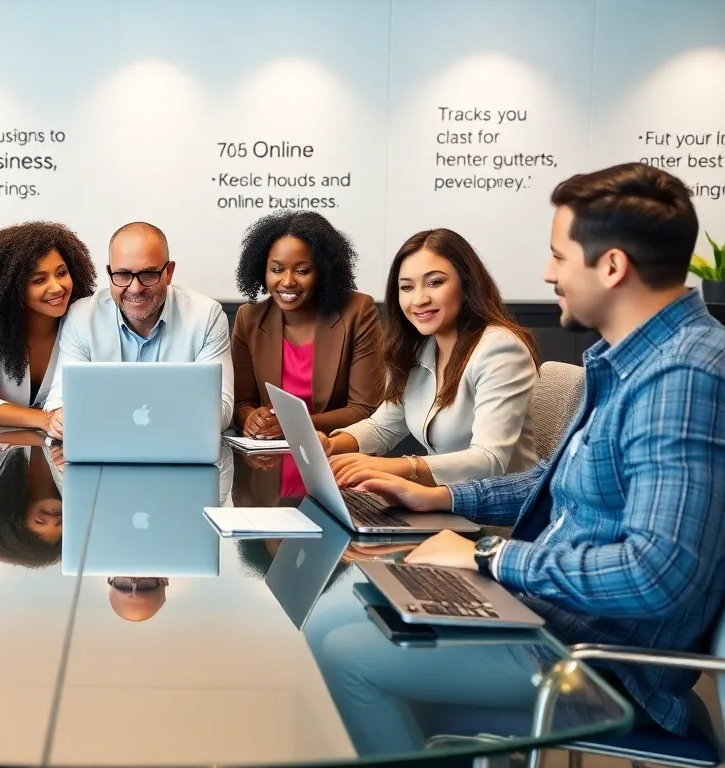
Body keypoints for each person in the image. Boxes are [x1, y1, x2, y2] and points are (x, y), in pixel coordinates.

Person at [334, 162, 725, 749]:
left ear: (612, 266)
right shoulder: (630, 359)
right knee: (341, 613)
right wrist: (437, 496)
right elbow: (551, 478)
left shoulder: (683, 375)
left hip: (597, 662)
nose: (547, 274)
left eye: (559, 257)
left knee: (343, 655)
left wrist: (490, 556)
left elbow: (657, 574)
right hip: (549, 612)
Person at [319, 228, 540, 488]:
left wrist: (389, 467)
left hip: (498, 516)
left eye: (435, 282)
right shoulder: (422, 349)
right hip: (442, 504)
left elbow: (488, 460)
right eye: (407, 287)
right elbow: (382, 428)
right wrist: (331, 445)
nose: (419, 299)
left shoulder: (499, 349)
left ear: (467, 285)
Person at [43, 222, 234, 433]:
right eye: (123, 275)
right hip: (105, 453)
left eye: (148, 274)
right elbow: (59, 401)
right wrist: (60, 417)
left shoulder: (206, 316)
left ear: (169, 273)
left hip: (177, 452)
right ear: (109, 274)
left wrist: (103, 413)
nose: (135, 288)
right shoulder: (82, 316)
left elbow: (221, 411)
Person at [231, 211, 384, 441]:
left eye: (302, 271)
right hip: (267, 463)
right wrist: (251, 418)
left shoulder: (358, 311)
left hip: (336, 457)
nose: (288, 280)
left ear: (323, 271)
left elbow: (365, 409)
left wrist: (295, 425)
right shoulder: (249, 318)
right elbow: (240, 403)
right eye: (276, 269)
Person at [0, 221, 97, 434]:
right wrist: (45, 420)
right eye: (39, 280)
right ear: (11, 289)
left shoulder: (84, 324)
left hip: (62, 451)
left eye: (61, 273)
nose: (56, 287)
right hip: (6, 451)